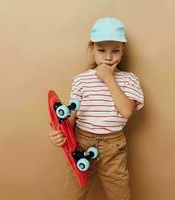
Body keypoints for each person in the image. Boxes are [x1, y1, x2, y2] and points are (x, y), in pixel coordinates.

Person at [48, 17, 144, 200]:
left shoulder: (129, 79)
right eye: (101, 50)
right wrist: (58, 133)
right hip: (81, 142)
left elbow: (127, 111)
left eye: (115, 51)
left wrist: (109, 78)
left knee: (120, 195)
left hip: (113, 147)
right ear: (91, 49)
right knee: (72, 194)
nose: (108, 57)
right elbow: (71, 118)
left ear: (123, 50)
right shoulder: (81, 80)